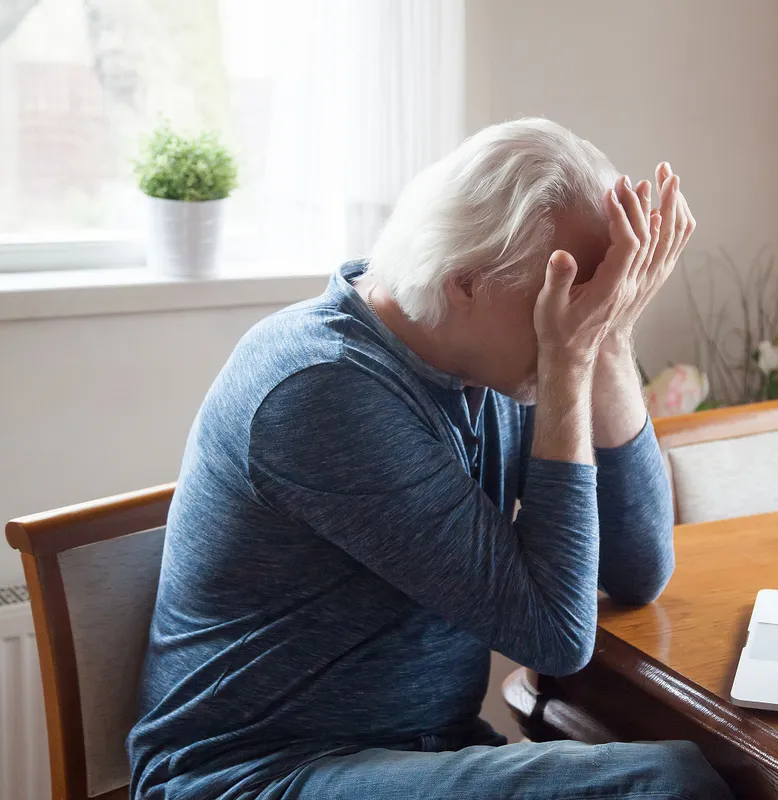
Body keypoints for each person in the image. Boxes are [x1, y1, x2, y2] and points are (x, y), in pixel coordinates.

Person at [128, 118, 733, 800]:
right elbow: (556, 637)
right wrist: (569, 360)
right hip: (255, 773)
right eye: (568, 295)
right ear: (464, 281)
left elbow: (637, 571)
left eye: (599, 297)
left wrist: (612, 338)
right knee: (666, 785)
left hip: (420, 751)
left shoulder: (491, 361)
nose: (580, 318)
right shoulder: (322, 389)